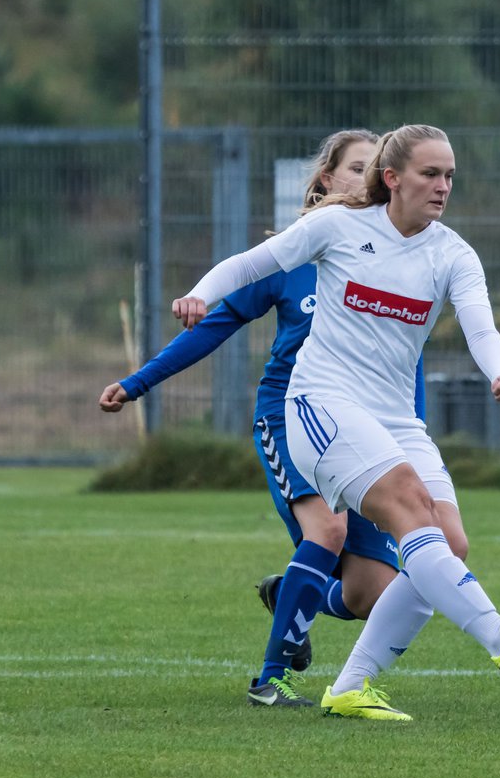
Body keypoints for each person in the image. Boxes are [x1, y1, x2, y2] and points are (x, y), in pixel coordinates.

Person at [171, 124, 500, 721]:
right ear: (393, 178)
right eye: (431, 174)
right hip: (320, 404)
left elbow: (480, 326)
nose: (443, 187)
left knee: (449, 546)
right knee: (411, 506)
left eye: (450, 176)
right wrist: (199, 293)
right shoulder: (339, 227)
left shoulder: (452, 253)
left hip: (392, 417)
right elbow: (251, 264)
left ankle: (352, 685)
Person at [100, 129, 465, 708]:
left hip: (368, 427)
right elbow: (213, 326)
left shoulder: (405, 253)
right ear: (325, 180)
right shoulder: (297, 250)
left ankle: (293, 591)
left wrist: (408, 446)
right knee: (330, 530)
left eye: (376, 170)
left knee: (372, 592)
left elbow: (404, 363)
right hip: (290, 416)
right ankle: (271, 680)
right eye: (356, 169)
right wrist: (137, 382)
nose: (367, 181)